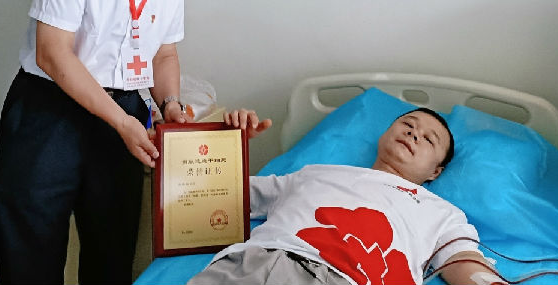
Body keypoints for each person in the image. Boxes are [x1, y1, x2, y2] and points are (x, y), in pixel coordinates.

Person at [0, 0, 208, 285]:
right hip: (50, 111)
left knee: (112, 253)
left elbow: (163, 53)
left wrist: (169, 103)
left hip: (123, 112)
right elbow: (52, 53)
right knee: (32, 253)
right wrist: (123, 122)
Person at [186, 108, 507, 285]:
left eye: (428, 139)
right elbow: (211, 197)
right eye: (407, 124)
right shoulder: (315, 173)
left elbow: (465, 264)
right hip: (253, 265)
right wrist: (225, 145)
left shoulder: (441, 212)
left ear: (436, 171)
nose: (413, 133)